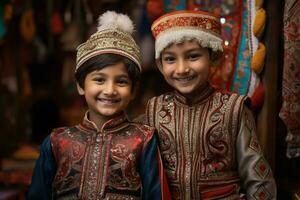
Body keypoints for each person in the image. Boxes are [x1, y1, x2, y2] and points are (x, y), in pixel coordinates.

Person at [27, 11, 167, 200]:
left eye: (121, 82)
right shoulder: (56, 142)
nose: (110, 90)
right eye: (99, 80)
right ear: (80, 85)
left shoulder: (144, 140)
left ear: (134, 90)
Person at [144, 10, 277, 199]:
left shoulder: (233, 109)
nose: (182, 69)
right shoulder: (154, 110)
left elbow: (258, 178)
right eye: (170, 59)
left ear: (213, 57)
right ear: (160, 65)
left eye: (193, 56)